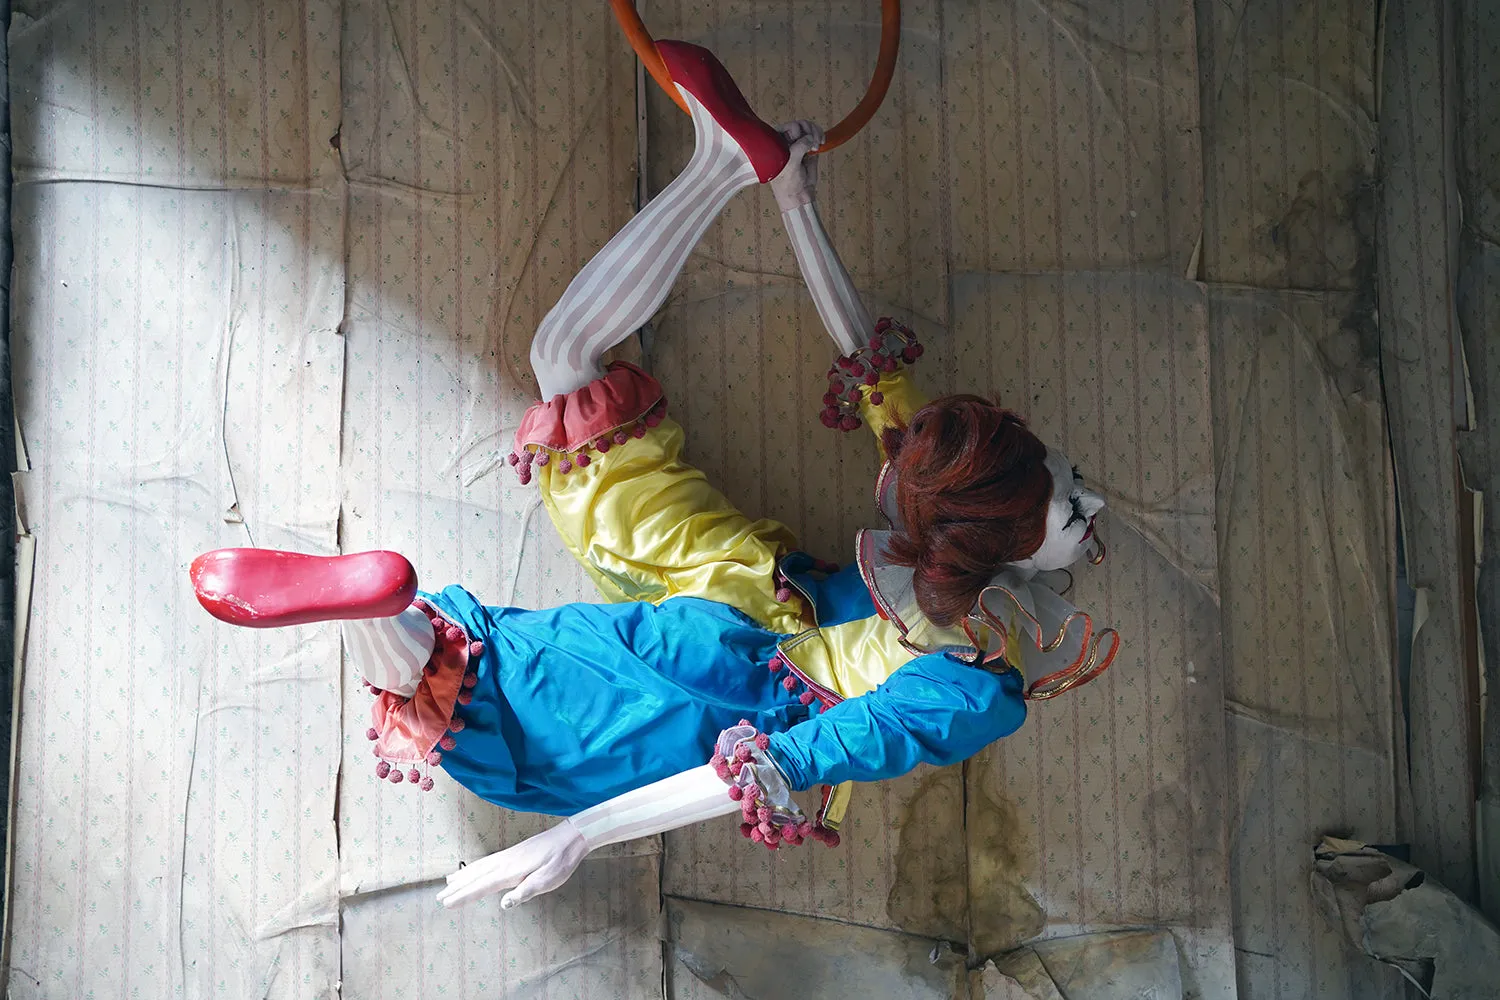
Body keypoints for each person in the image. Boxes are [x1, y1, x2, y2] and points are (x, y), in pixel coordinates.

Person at [188, 40, 1116, 912]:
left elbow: (790, 759)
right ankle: (722, 162)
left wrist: (584, 835)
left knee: (559, 386)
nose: (1097, 506)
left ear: (1010, 540)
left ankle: (370, 606)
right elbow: (863, 353)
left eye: (1072, 502)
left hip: (729, 659)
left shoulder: (971, 677)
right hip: (734, 629)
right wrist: (792, 194)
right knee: (560, 380)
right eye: (1077, 492)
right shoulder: (973, 614)